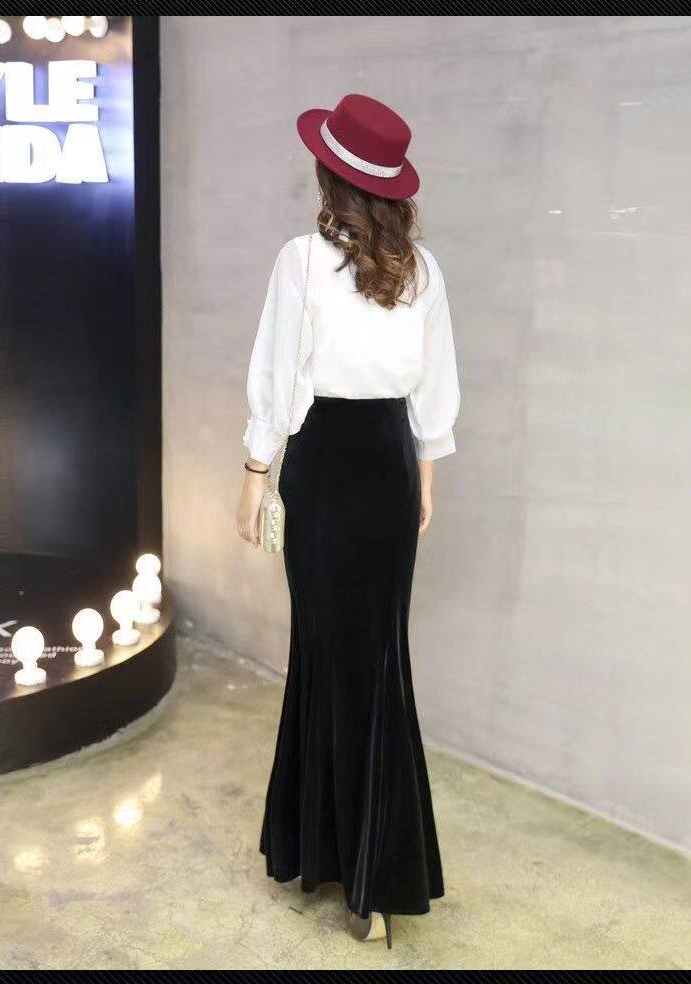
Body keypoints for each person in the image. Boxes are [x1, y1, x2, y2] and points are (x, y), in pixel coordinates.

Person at [236, 93, 461, 949]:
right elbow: (433, 386)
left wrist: (256, 474)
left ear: (330, 178)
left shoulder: (300, 261)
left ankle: (337, 860)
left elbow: (279, 376)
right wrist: (423, 475)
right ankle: (378, 878)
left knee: (328, 655)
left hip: (326, 465)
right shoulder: (422, 269)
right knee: (379, 659)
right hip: (391, 465)